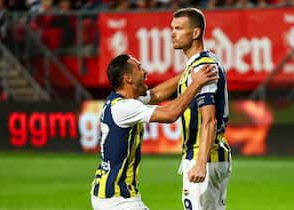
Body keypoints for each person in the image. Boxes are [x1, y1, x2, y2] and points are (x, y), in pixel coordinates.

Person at [90, 54, 218, 210]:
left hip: (107, 195)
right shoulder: (125, 108)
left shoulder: (121, 102)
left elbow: (157, 94)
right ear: (128, 78)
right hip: (118, 200)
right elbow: (171, 114)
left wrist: (189, 73)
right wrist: (196, 83)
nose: (145, 72)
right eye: (139, 68)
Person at [171, 8, 232, 210]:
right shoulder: (202, 62)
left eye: (179, 28)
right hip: (213, 156)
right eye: (172, 28)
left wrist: (200, 162)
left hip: (205, 156)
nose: (172, 33)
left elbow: (209, 119)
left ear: (195, 33)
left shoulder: (202, 67)